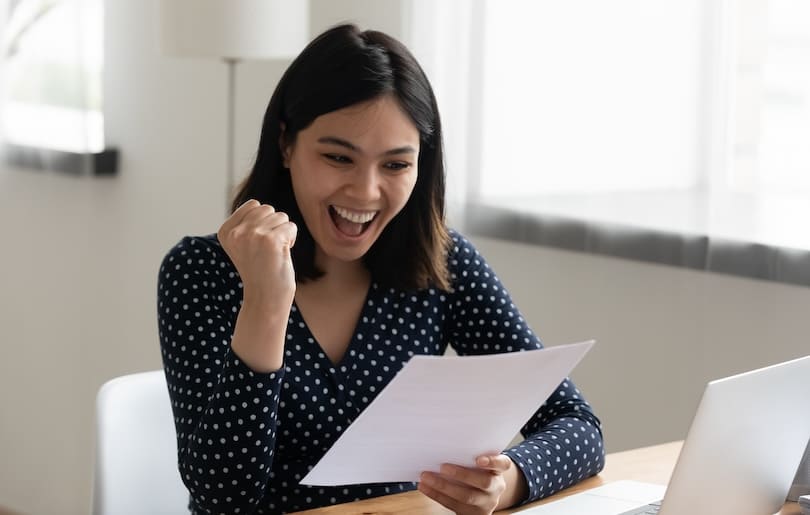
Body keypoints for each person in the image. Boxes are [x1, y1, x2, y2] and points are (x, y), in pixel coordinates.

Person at [158, 23, 605, 515]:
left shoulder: (440, 263)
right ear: (286, 144)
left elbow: (577, 425)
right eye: (337, 157)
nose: (365, 192)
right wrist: (267, 300)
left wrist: (510, 480)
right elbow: (225, 497)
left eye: (395, 165)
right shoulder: (201, 272)